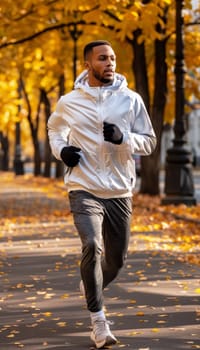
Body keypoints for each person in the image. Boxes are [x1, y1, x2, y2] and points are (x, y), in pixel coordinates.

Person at [47, 40, 156, 349]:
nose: (110, 63)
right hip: (84, 186)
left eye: (112, 58)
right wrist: (62, 150)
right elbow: (54, 129)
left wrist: (125, 139)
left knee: (117, 260)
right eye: (103, 59)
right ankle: (98, 321)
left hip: (120, 190)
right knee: (92, 246)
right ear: (88, 65)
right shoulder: (69, 101)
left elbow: (150, 142)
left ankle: (91, 285)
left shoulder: (130, 100)